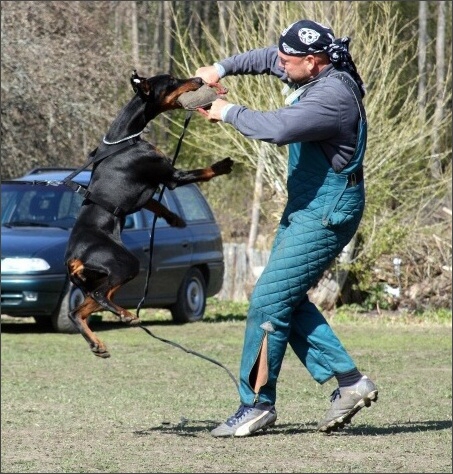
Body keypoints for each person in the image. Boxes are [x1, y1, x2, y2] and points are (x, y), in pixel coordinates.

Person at [195, 19, 378, 438]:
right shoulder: (315, 67)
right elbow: (263, 58)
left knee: (267, 301)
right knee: (283, 298)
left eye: (287, 60)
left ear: (312, 62)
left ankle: (256, 405)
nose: (278, 64)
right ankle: (350, 382)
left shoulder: (332, 96)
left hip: (327, 209)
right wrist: (218, 70)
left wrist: (227, 112)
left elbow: (278, 129)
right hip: (309, 203)